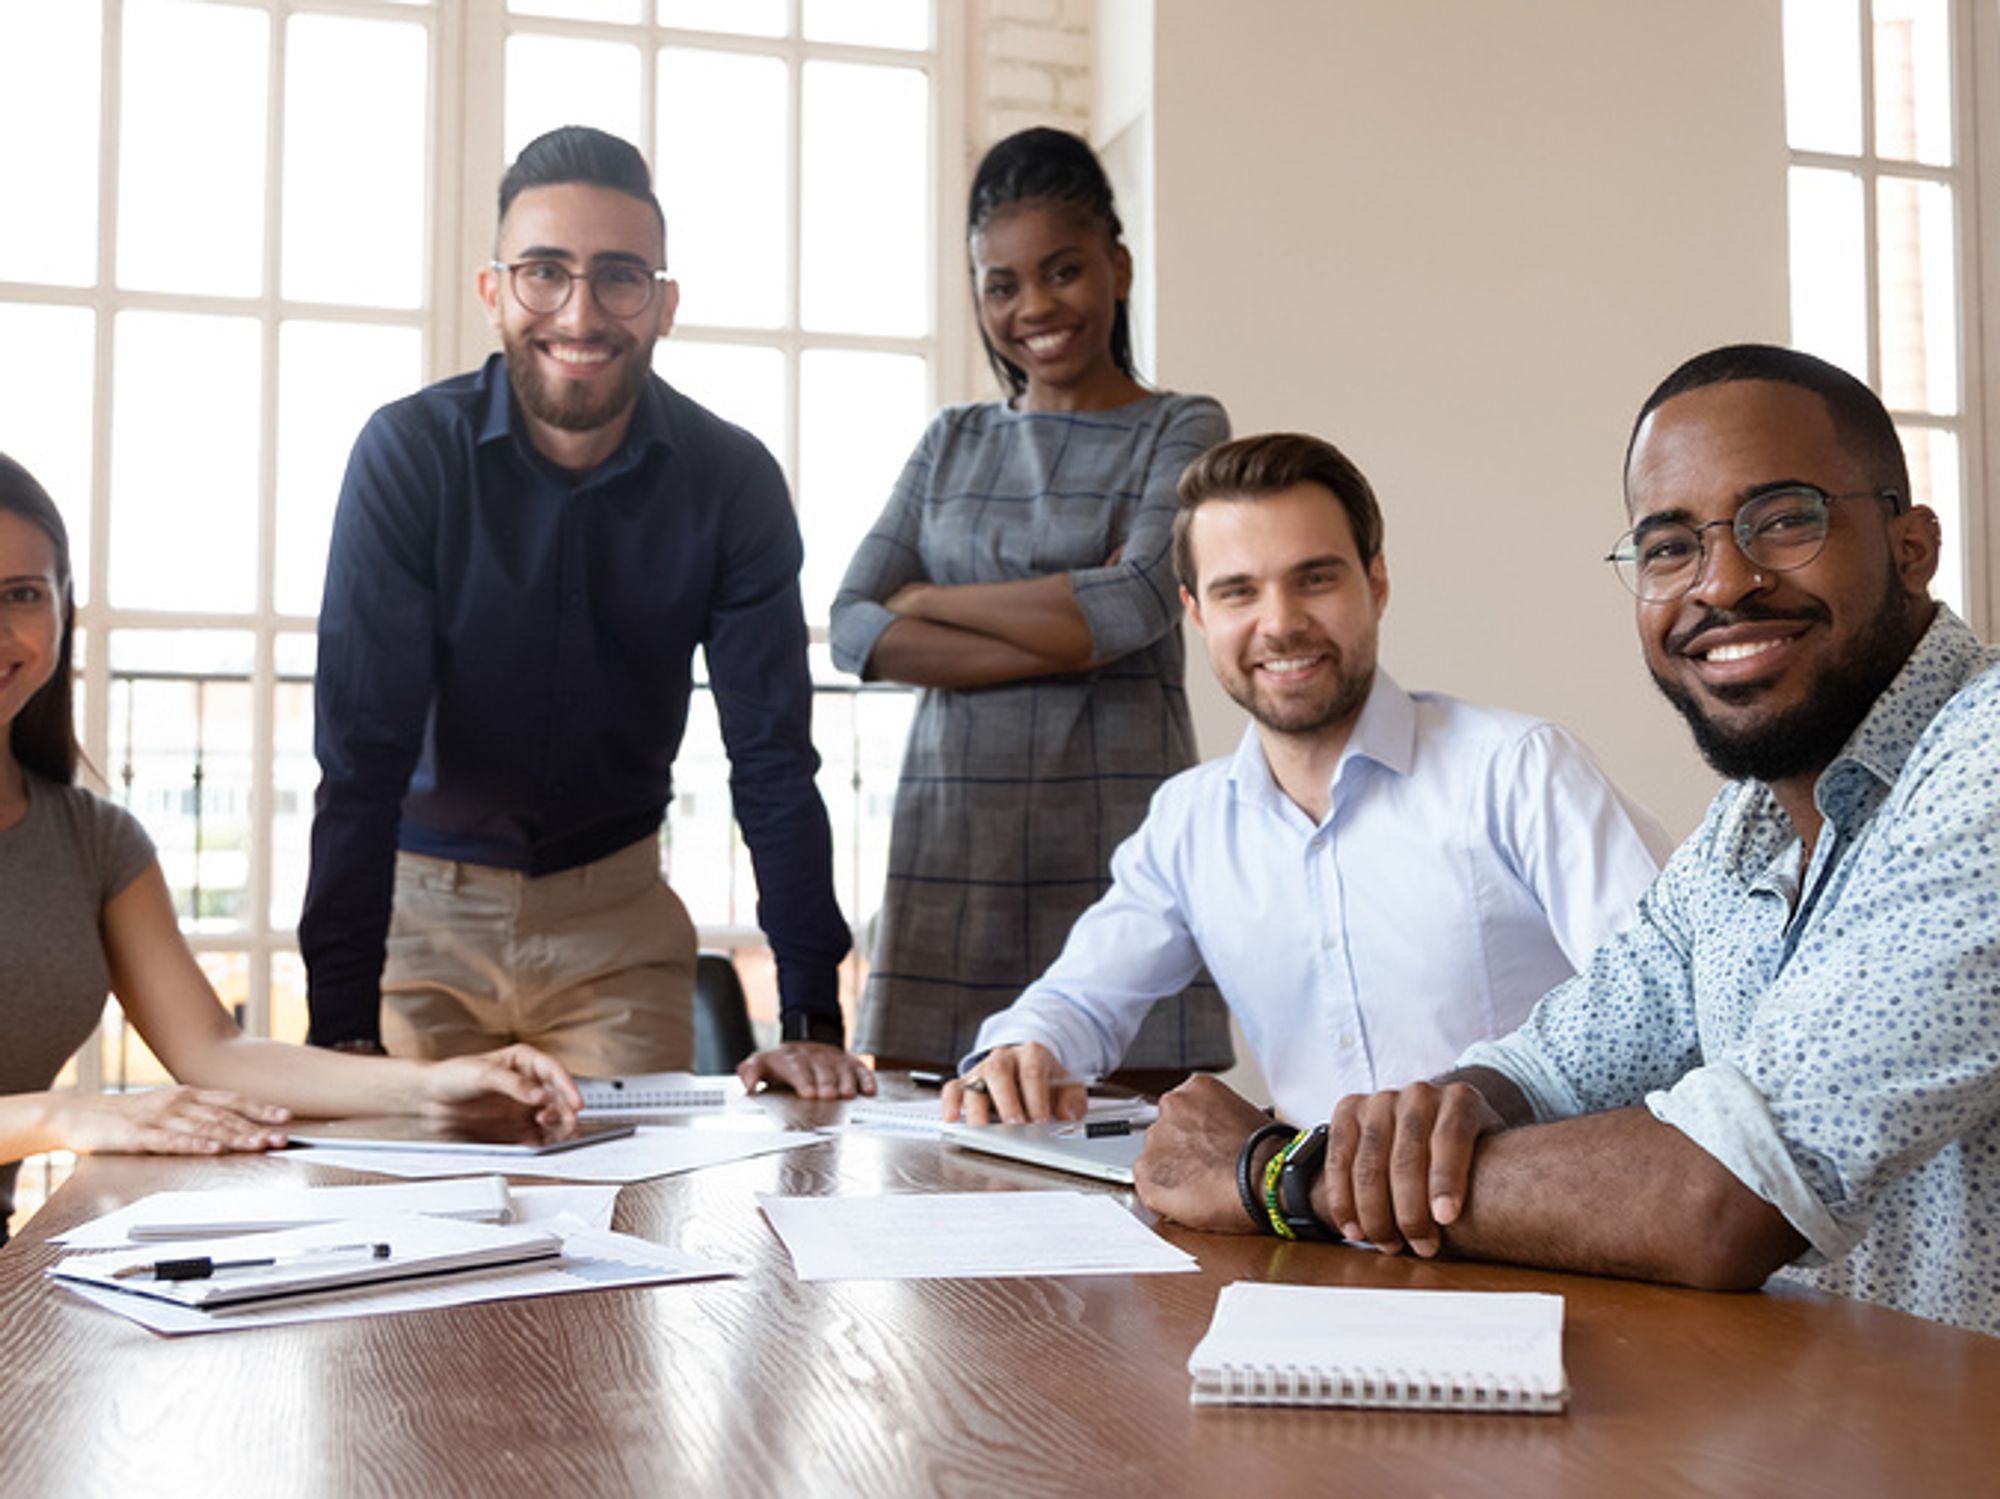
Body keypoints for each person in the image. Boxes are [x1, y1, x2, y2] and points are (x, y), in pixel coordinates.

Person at [1138, 345, 2000, 1338]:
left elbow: (1723, 1195)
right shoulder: (1751, 821)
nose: (1721, 582)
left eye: (1783, 519)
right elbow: (1548, 1065)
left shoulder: (1981, 758)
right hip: (1819, 1426)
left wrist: (1283, 1174)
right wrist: (1391, 1142)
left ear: (1910, 545)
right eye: (1669, 545)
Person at [300, 126, 871, 1099]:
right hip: (419, 926)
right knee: (407, 1225)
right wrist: (341, 1024)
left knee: (629, 1232)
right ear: (494, 293)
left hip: (615, 930)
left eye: (617, 276)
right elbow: (361, 757)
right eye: (543, 272)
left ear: (663, 303)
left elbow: (772, 754)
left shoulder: (731, 480)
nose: (579, 310)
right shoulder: (408, 455)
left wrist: (811, 1016)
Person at [945, 432, 1670, 1127]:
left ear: (1376, 581)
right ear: (1196, 614)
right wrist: (1026, 1049)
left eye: (1314, 579)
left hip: (1530, 1222)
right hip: (1306, 1227)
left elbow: (1670, 999)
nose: (1282, 623)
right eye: (1238, 592)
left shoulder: (1519, 771)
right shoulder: (1189, 821)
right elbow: (1082, 998)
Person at [0, 454, 582, 1244]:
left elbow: (215, 1050)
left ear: (65, 608)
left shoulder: (94, 840)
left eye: (22, 595)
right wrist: (64, 1114)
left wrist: (435, 1083)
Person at [830, 127, 1232, 1083]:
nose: (1034, 307)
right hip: (948, 855)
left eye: (1063, 271)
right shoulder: (950, 441)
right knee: (924, 1169)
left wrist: (931, 601)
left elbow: (1135, 604)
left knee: (1137, 1181)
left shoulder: (1181, 424)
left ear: (1118, 267)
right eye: (1001, 284)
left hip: (1115, 855)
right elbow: (852, 624)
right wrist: (1069, 633)